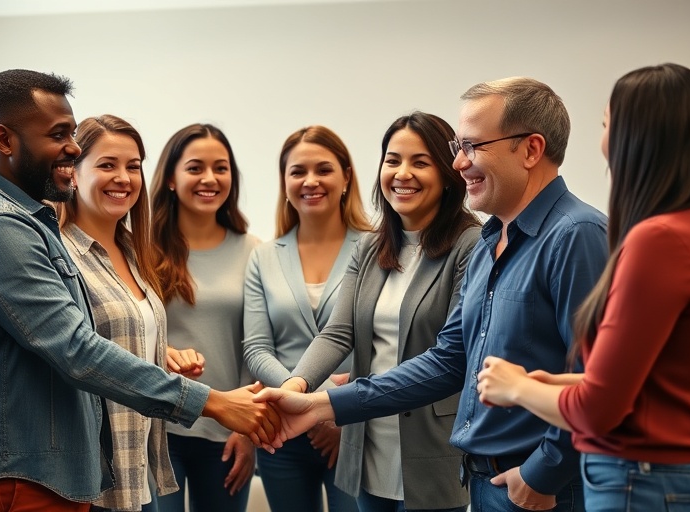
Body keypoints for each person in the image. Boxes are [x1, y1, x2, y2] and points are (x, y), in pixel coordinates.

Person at [257, 77, 609, 512]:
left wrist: (542, 473)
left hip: (540, 487)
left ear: (531, 150)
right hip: (486, 479)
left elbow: (599, 382)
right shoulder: (492, 242)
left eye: (472, 147)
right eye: (458, 148)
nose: (459, 163)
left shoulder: (576, 235)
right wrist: (320, 405)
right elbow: (448, 360)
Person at [0, 70, 279, 512]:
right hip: (19, 472)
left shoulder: (41, 225)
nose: (72, 147)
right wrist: (212, 402)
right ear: (4, 140)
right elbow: (75, 348)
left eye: (133, 165)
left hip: (72, 470)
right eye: (58, 135)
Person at [476, 63, 690, 511]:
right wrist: (558, 383)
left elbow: (600, 408)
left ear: (637, 139)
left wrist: (516, 388)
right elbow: (657, 379)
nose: (602, 141)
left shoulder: (651, 240)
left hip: (642, 479)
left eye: (606, 125)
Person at [278, 113, 477, 512]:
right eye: (392, 160)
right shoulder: (370, 247)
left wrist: (325, 402)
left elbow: (450, 356)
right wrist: (295, 385)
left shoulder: (471, 246)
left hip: (434, 448)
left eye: (420, 162)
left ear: (447, 173)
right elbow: (339, 333)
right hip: (368, 446)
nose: (402, 174)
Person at [57, 114, 202, 511]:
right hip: (94, 476)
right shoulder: (59, 253)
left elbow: (114, 332)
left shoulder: (134, 251)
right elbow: (73, 350)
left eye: (133, 166)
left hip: (138, 466)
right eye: (107, 165)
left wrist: (160, 352)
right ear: (73, 172)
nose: (123, 178)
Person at [242, 125, 369, 512]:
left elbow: (387, 342)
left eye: (323, 169)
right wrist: (309, 406)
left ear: (346, 177)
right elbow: (257, 348)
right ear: (284, 182)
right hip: (281, 432)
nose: (310, 181)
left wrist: (337, 410)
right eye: (298, 171)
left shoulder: (377, 248)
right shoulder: (264, 256)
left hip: (356, 428)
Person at [149, 124, 260, 512]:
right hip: (158, 427)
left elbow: (258, 346)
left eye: (221, 168)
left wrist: (248, 429)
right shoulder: (140, 248)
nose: (210, 179)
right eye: (195, 168)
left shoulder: (255, 252)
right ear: (171, 179)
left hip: (228, 431)